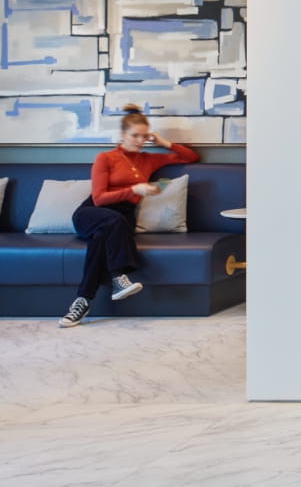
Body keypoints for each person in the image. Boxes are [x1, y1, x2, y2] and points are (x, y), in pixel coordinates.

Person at [61, 109, 199, 327]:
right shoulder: (105, 158)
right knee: (112, 223)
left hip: (121, 216)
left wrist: (163, 141)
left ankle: (82, 301)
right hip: (92, 213)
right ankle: (118, 277)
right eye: (135, 135)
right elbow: (99, 199)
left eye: (144, 136)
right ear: (123, 135)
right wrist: (134, 189)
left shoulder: (148, 160)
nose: (140, 141)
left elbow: (191, 157)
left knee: (101, 239)